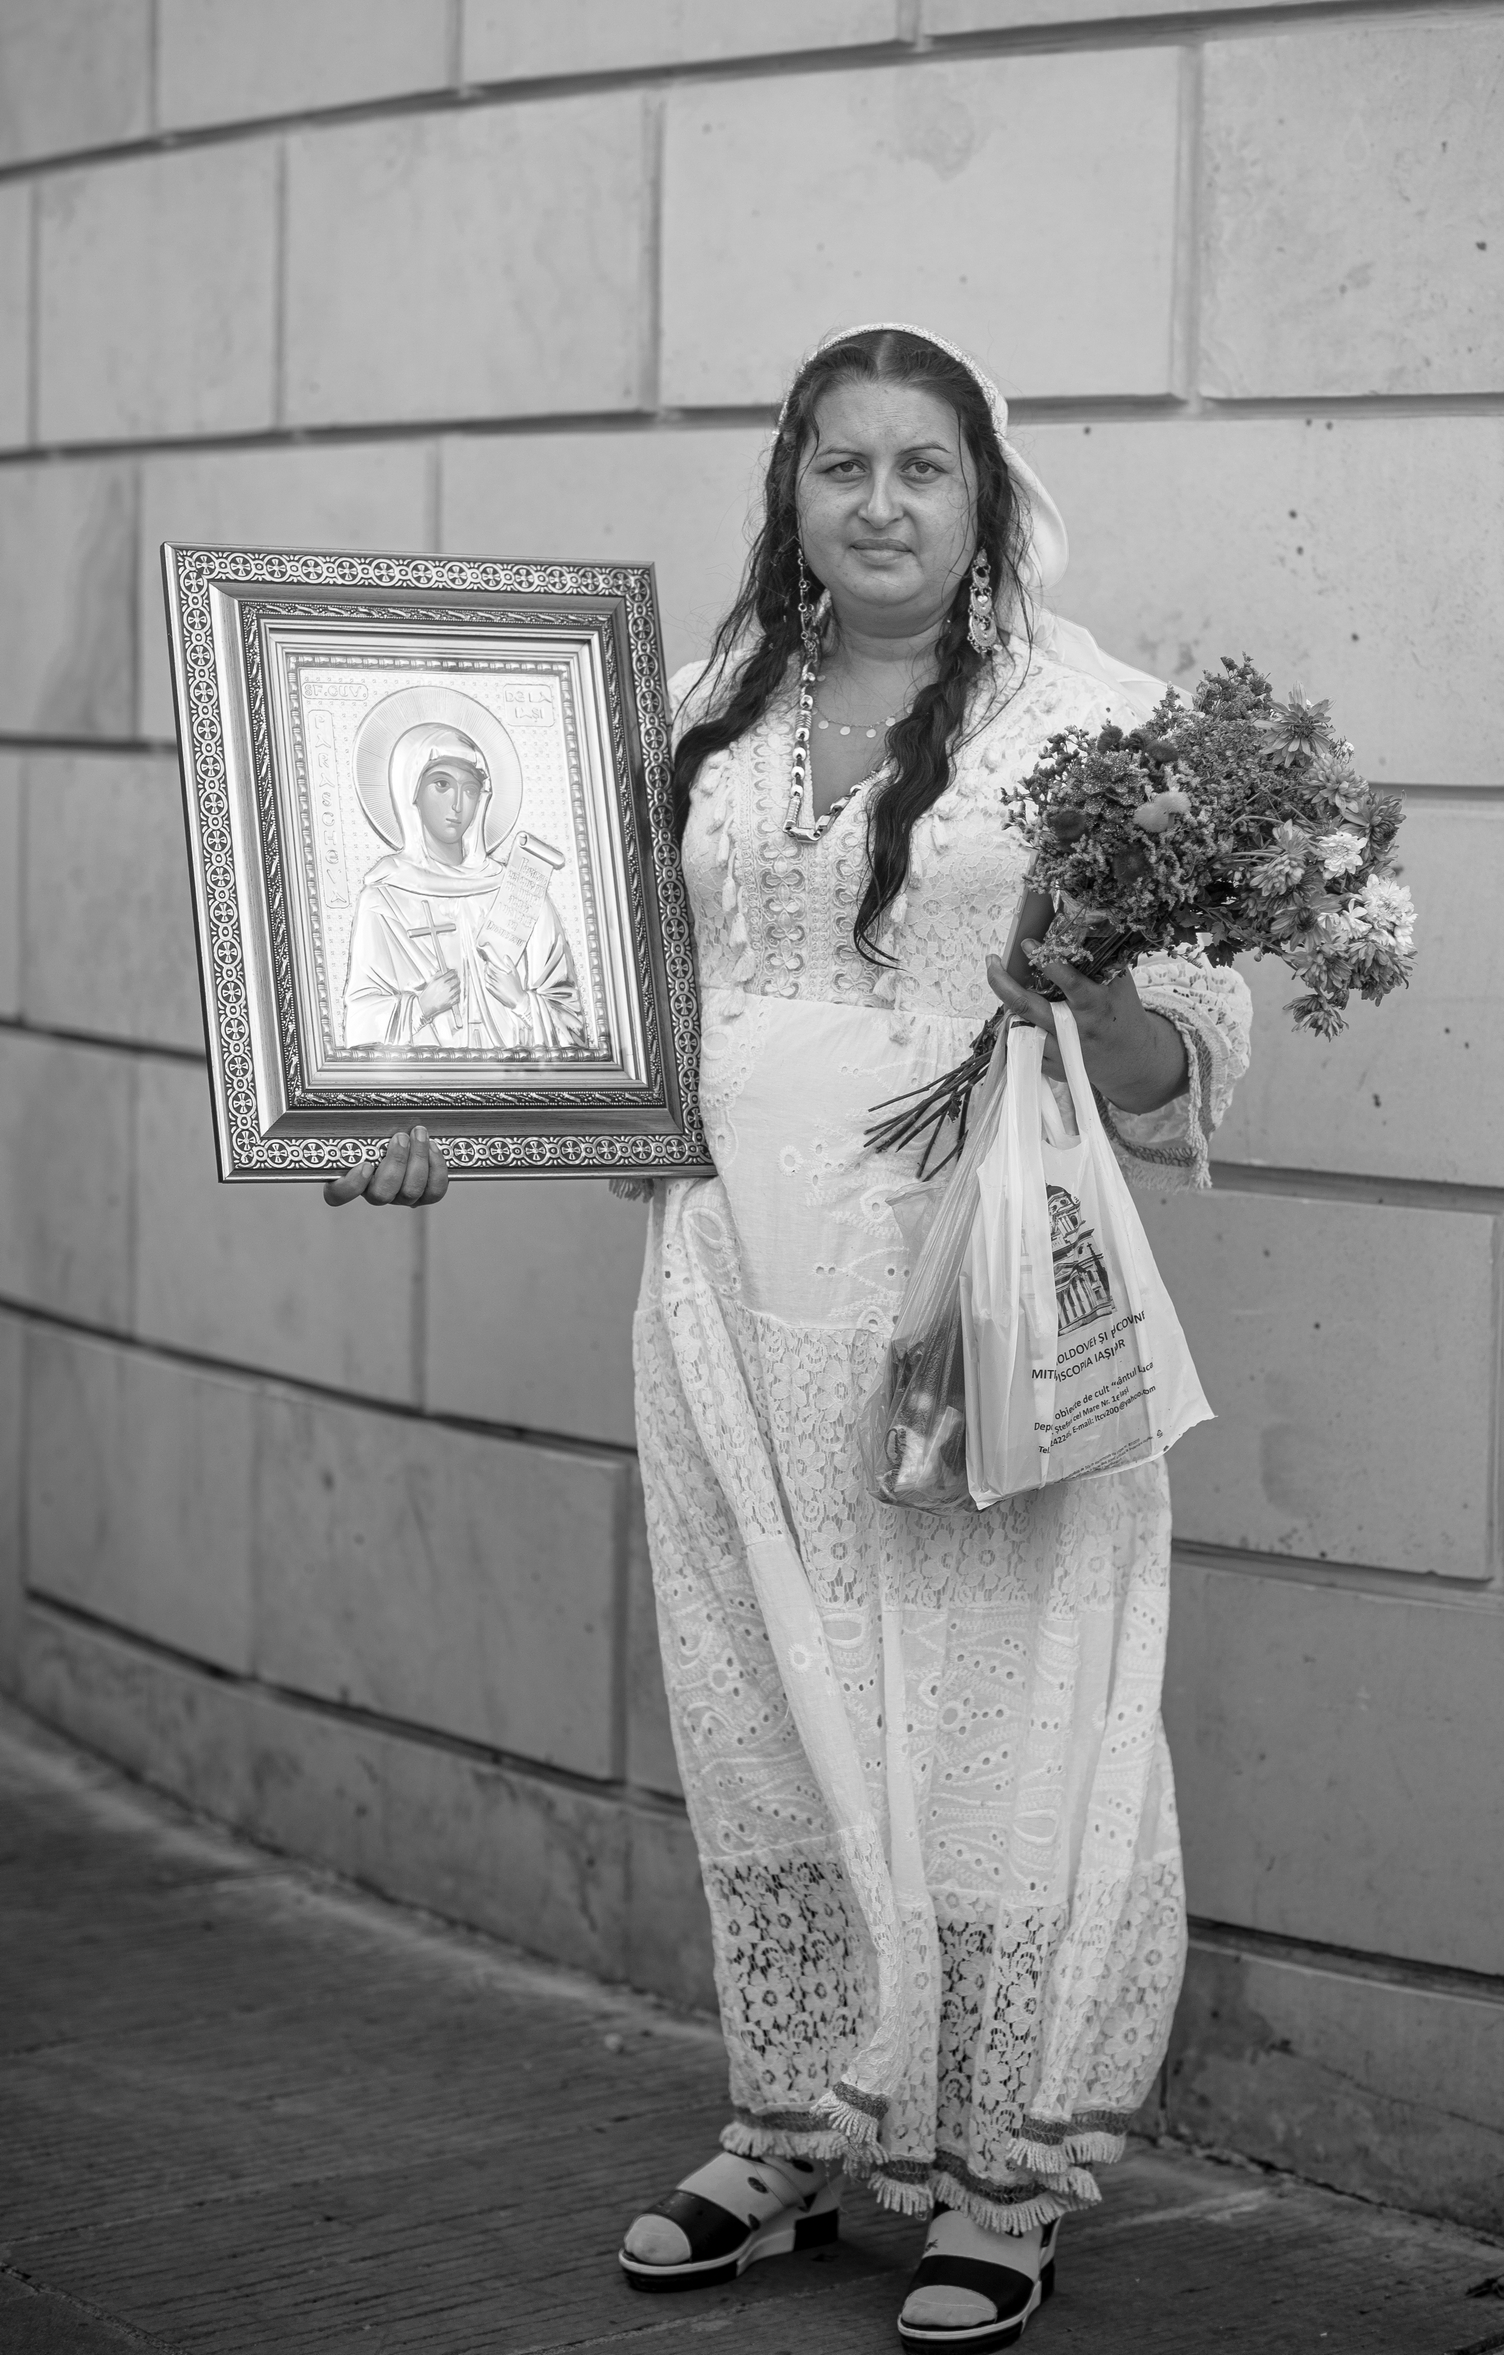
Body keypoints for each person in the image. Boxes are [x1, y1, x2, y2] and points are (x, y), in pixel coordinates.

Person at [327, 325, 1251, 2353]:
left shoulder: (1093, 726)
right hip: (731, 1294)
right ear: (792, 489)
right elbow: (576, 1005)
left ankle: (1006, 2174)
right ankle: (794, 2121)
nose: (882, 502)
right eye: (843, 463)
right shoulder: (696, 719)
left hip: (971, 1294)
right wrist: (407, 1108)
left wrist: (1084, 991)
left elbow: (1183, 1048)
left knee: (1000, 1714)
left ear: (984, 492)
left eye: (924, 465)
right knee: (764, 1704)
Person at [341, 721, 587, 1053]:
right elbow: (359, 1026)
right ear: (410, 791)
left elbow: (572, 1023)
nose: (457, 804)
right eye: (441, 784)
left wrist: (522, 1002)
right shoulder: (384, 898)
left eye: (469, 789)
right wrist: (421, 1007)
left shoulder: (519, 892)